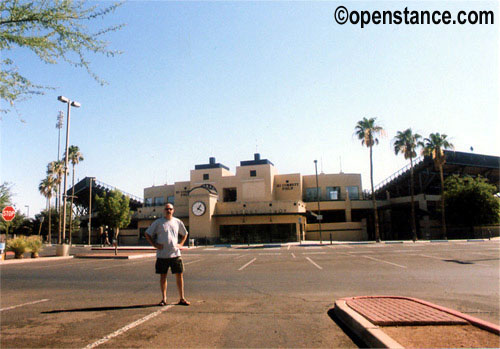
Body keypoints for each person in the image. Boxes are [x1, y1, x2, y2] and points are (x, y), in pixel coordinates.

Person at [145, 203, 190, 306]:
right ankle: (164, 299)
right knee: (163, 276)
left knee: (179, 275)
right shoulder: (158, 222)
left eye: (170, 209)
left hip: (175, 254)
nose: (168, 210)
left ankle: (182, 298)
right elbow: (147, 234)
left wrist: (181, 244)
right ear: (164, 210)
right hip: (162, 255)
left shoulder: (177, 222)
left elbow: (185, 233)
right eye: (166, 209)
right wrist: (155, 245)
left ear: (173, 210)